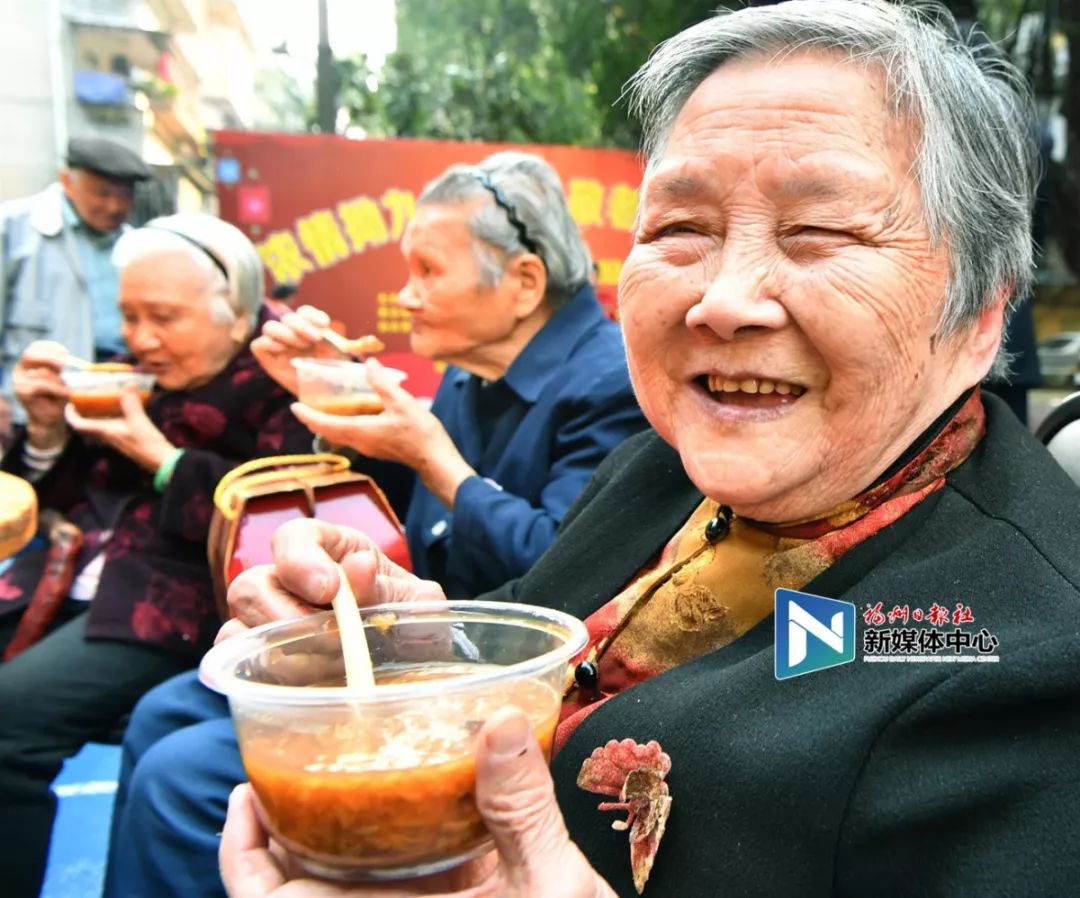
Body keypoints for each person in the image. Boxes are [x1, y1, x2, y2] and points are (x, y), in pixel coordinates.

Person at [145, 1, 1080, 894]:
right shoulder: (663, 465)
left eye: (820, 231)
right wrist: (401, 626)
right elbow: (532, 621)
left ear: (981, 314)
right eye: (680, 228)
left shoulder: (1028, 665)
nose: (722, 298)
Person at [102, 150, 647, 898]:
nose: (408, 295)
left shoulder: (608, 378)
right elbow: (397, 501)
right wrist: (343, 418)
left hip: (488, 672)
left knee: (180, 778)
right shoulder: (471, 370)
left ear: (523, 283)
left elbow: (563, 570)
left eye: (429, 271)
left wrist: (434, 456)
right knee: (162, 712)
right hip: (418, 638)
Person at [0, 213, 313, 897]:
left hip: (170, 606)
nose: (138, 340)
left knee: (9, 722)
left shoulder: (280, 386)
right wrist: (47, 430)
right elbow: (55, 497)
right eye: (129, 316)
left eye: (162, 317)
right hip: (66, 577)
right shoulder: (135, 375)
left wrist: (164, 460)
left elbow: (282, 525)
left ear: (235, 317)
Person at [0, 137, 153, 439]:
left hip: (111, 405)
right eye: (103, 193)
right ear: (67, 182)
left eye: (126, 196)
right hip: (34, 404)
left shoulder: (138, 245)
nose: (115, 206)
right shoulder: (14, 228)